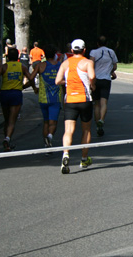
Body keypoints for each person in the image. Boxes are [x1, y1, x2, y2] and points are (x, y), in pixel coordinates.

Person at [55, 39, 96, 174]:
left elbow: (57, 81)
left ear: (72, 51)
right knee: (86, 130)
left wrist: (68, 81)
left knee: (68, 130)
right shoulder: (87, 62)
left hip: (70, 100)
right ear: (84, 50)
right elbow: (92, 76)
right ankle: (84, 158)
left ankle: (65, 154)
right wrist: (92, 85)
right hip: (85, 100)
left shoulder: (65, 63)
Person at [0, 48, 36, 151]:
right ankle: (7, 139)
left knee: (6, 120)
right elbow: (31, 78)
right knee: (12, 121)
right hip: (16, 93)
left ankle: (7, 143)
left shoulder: (4, 67)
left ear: (7, 57)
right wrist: (25, 86)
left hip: (4, 93)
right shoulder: (22, 66)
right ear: (18, 57)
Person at [29, 45, 63, 149]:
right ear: (54, 55)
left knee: (46, 122)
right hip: (56, 98)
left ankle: (46, 144)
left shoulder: (40, 66)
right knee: (53, 122)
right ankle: (50, 136)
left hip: (43, 98)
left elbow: (31, 77)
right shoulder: (60, 66)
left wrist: (34, 87)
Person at [89, 36, 118, 137]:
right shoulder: (111, 52)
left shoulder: (94, 52)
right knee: (104, 102)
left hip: (96, 79)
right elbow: (115, 66)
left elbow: (91, 65)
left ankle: (98, 124)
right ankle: (102, 119)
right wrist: (110, 72)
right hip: (106, 79)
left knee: (96, 104)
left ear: (97, 43)